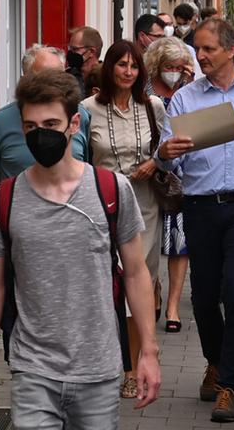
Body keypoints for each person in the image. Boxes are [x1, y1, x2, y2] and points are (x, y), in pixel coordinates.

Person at [0, 69, 160, 427]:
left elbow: (136, 273)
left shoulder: (111, 191)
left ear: (74, 124)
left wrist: (147, 351)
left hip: (99, 369)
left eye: (51, 124)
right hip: (32, 369)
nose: (40, 135)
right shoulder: (2, 199)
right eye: (30, 127)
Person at [157, 19, 234, 423]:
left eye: (208, 48)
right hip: (201, 206)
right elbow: (166, 157)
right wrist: (167, 152)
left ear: (230, 50)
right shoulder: (184, 100)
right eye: (199, 49)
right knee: (206, 296)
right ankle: (214, 361)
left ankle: (229, 383)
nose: (201, 56)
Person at [83, 41, 168, 400]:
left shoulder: (153, 107)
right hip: (102, 206)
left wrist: (157, 162)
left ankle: (132, 367)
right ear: (109, 68)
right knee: (106, 287)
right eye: (121, 65)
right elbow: (81, 155)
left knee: (139, 285)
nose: (128, 72)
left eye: (134, 66)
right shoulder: (87, 109)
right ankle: (107, 362)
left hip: (144, 206)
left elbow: (167, 147)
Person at [0, 45, 92, 186]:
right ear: (25, 79)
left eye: (58, 77)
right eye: (43, 78)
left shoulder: (80, 115)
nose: (51, 85)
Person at [145, 36, 194, 334]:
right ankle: (153, 288)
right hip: (147, 172)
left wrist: (186, 86)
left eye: (178, 66)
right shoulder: (144, 89)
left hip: (178, 176)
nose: (173, 71)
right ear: (156, 65)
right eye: (168, 66)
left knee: (178, 243)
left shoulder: (189, 93)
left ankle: (174, 305)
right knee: (149, 242)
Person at [68, 26, 105, 93]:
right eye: (70, 48)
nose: (71, 53)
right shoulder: (67, 78)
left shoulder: (108, 77)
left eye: (75, 49)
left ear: (91, 52)